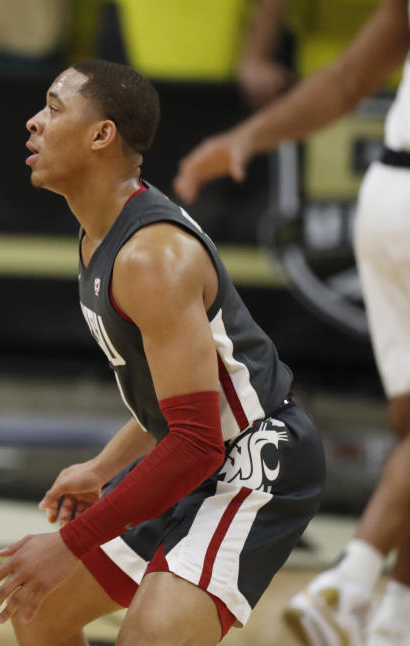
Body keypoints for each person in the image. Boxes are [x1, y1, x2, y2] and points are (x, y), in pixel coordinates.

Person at [0, 59, 325, 646]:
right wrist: (101, 468)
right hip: (199, 455)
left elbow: (195, 439)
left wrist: (70, 542)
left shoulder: (152, 257)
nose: (34, 123)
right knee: (36, 610)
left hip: (257, 461)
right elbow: (180, 399)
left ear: (101, 134)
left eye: (54, 109)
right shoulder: (101, 231)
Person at [174, 1, 410, 644]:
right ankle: (352, 582)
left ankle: (395, 619)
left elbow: (346, 80)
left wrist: (249, 135)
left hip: (388, 196)